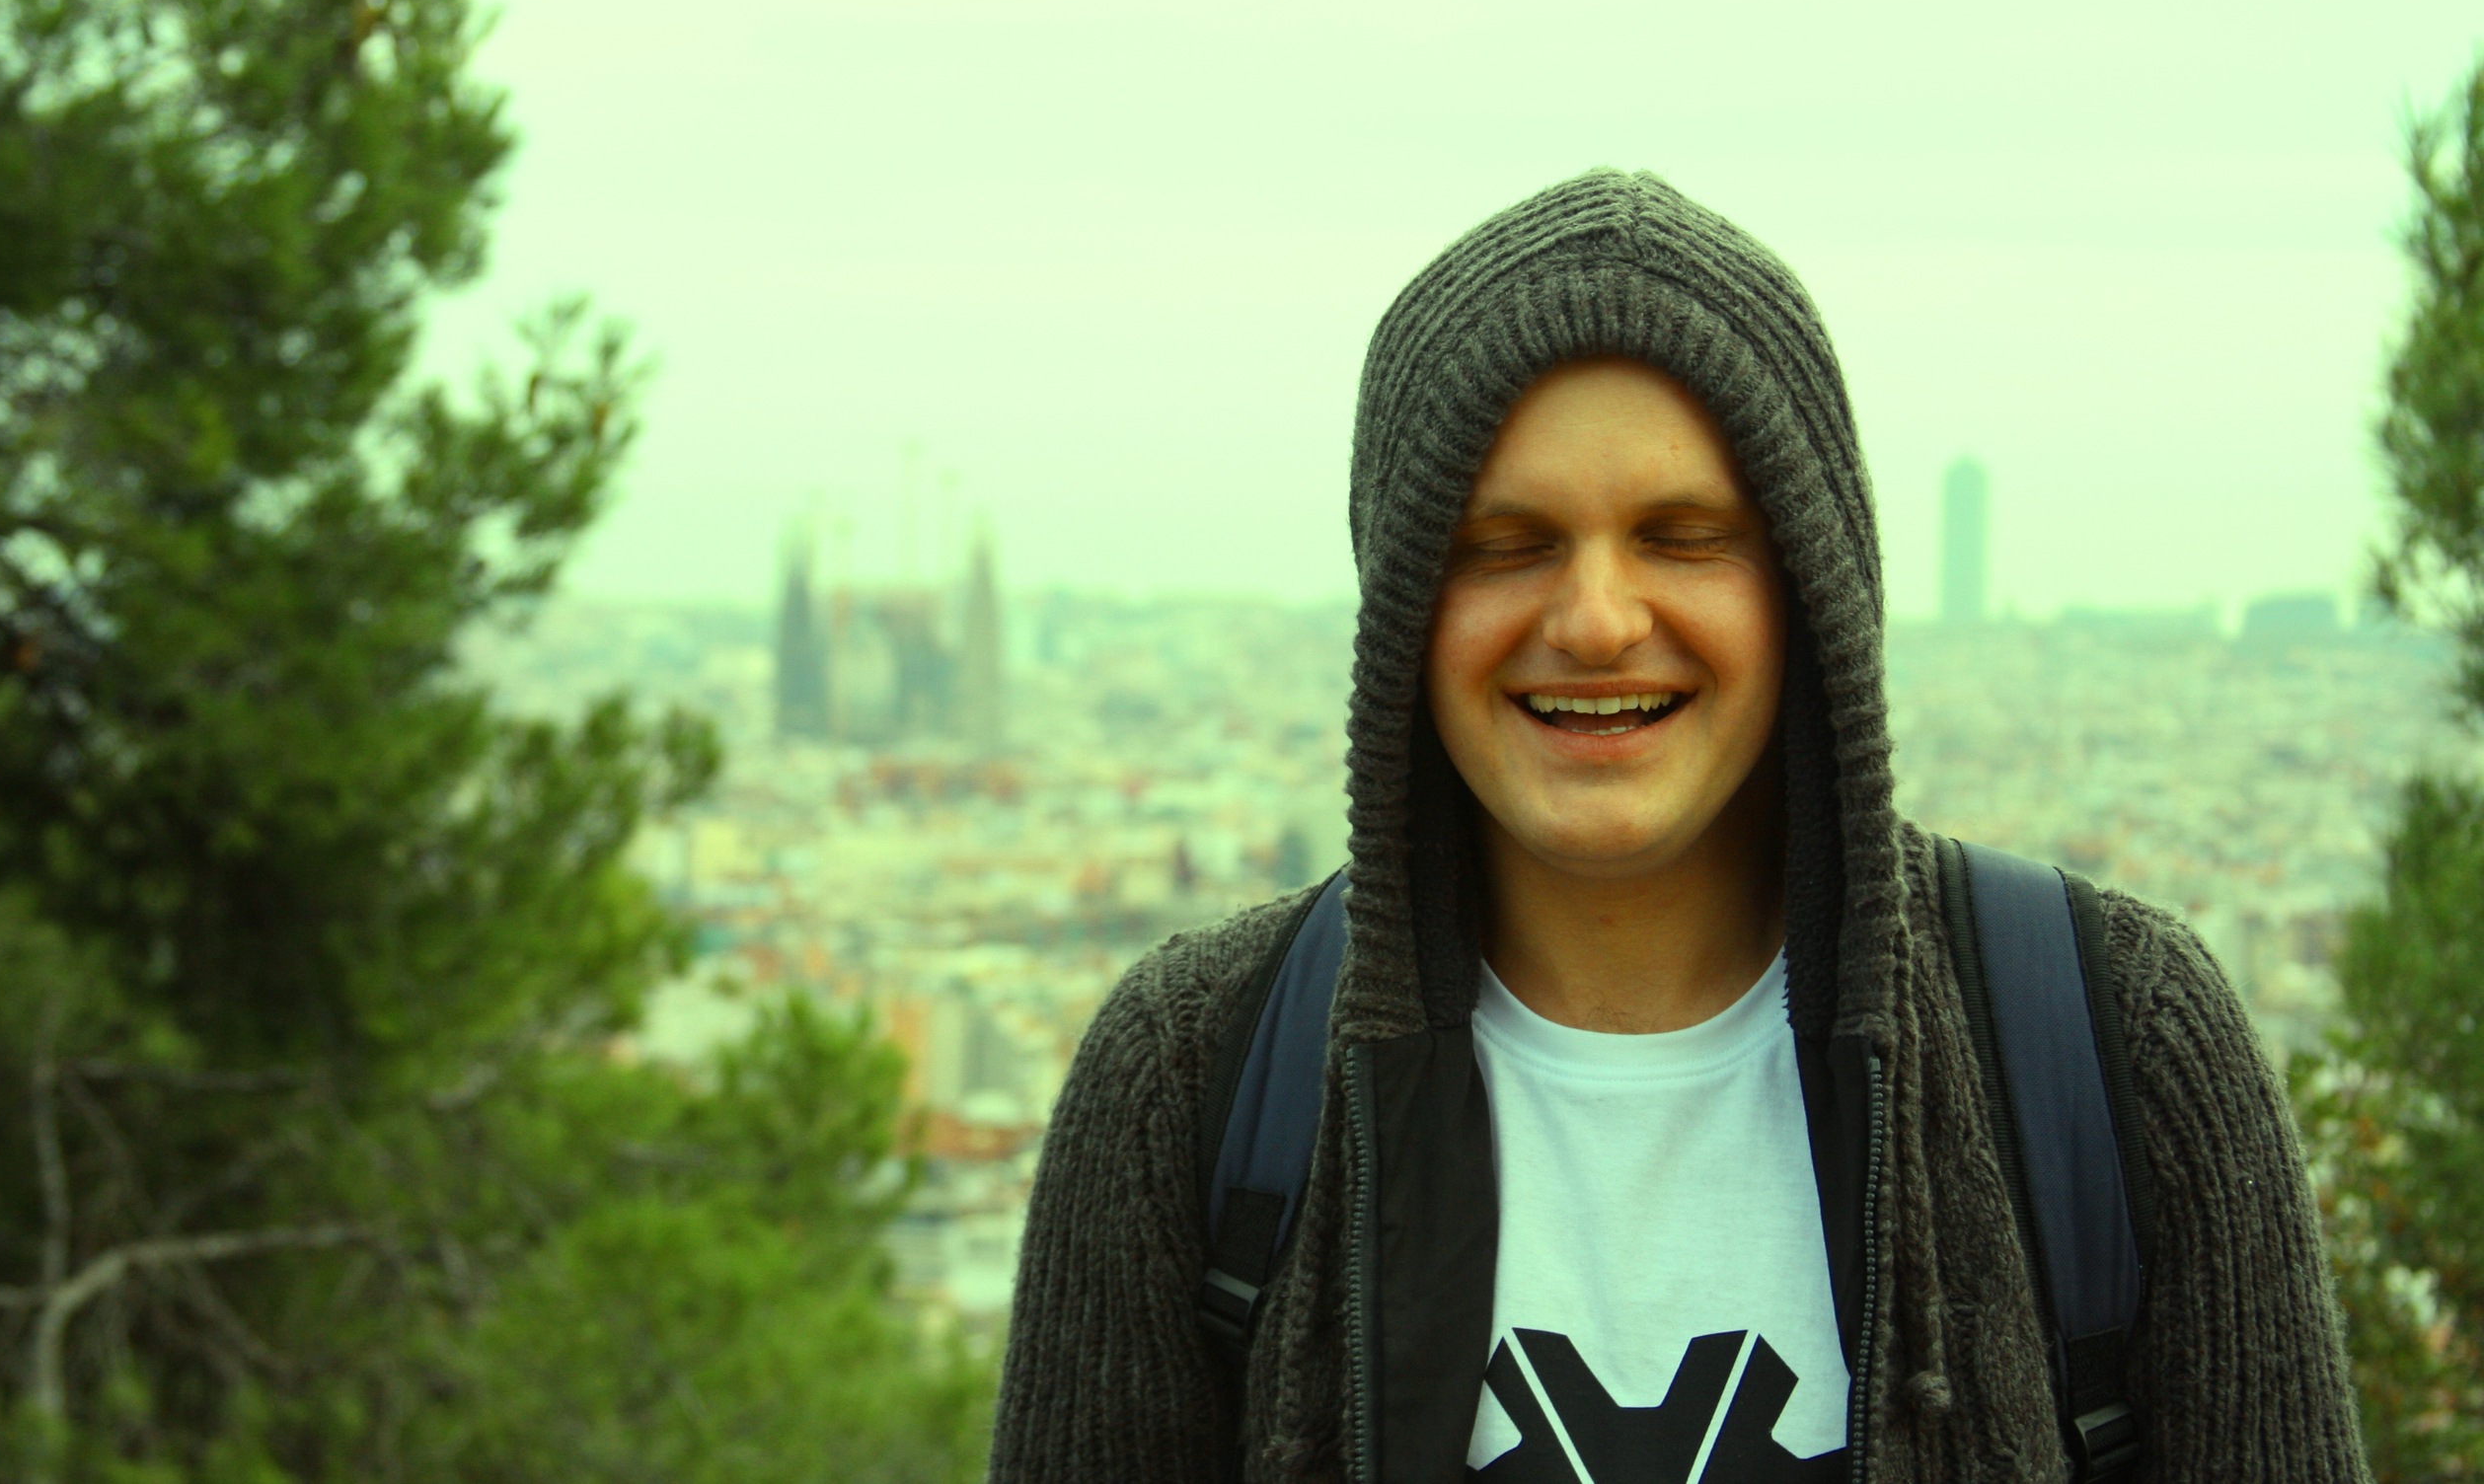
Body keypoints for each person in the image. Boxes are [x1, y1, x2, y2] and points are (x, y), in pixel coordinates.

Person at [988, 171, 2367, 1482]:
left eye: (1684, 534)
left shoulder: (2116, 1046)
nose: (1596, 621)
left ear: (1810, 586)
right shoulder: (1190, 1083)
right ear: (1402, 603)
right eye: (1504, 543)